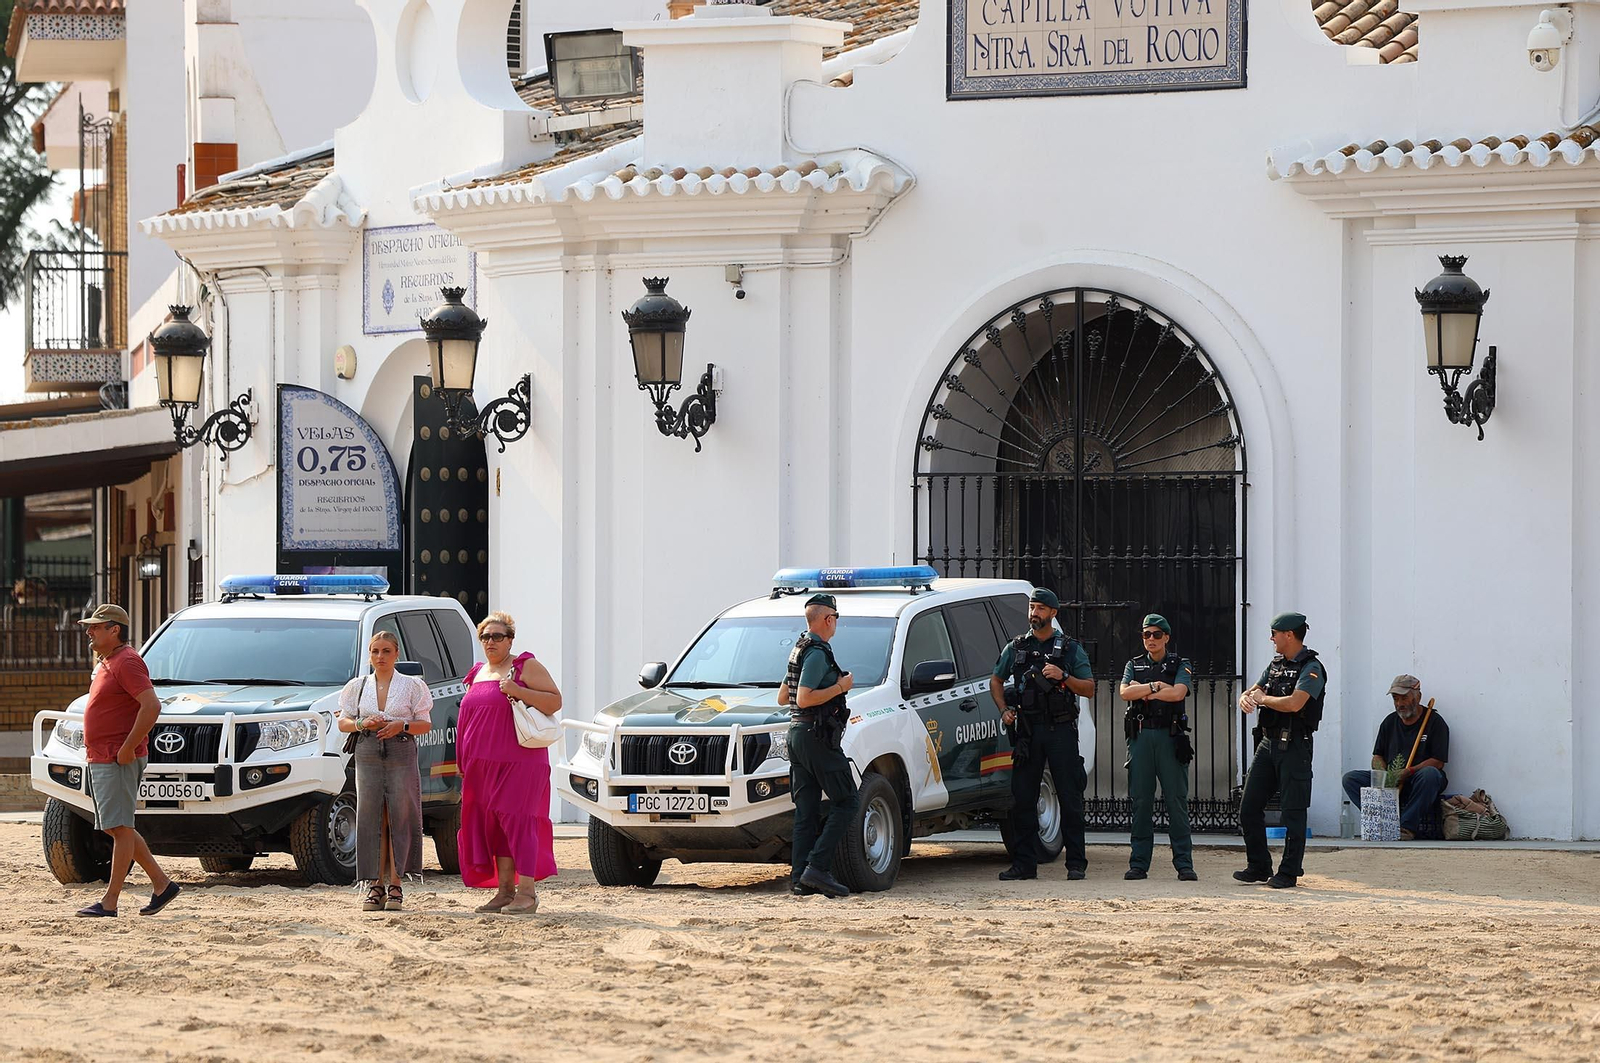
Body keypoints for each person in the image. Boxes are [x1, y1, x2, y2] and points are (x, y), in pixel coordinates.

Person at [73, 604, 181, 917]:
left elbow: (151, 706)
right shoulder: (109, 661)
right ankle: (162, 884)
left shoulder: (127, 661)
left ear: (115, 630)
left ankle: (110, 902)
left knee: (119, 828)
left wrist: (127, 747)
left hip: (116, 758)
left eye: (96, 627)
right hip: (103, 756)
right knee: (116, 827)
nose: (89, 632)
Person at [456, 612, 561, 915]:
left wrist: (518, 691)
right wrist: (463, 760)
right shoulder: (477, 673)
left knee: (519, 820)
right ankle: (505, 892)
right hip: (481, 766)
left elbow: (554, 701)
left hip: (520, 762)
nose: (491, 641)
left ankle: (527, 893)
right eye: (486, 636)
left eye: (498, 636)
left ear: (510, 640)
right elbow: (466, 720)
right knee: (495, 826)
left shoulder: (525, 666)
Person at [992, 587, 1095, 882]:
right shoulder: (1016, 647)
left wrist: (1063, 676)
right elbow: (996, 680)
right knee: (1023, 798)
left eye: (1040, 608)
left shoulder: (1070, 648)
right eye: (1031, 607)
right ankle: (1024, 864)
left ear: (1053, 613)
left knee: (1069, 797)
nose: (1034, 613)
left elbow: (1089, 688)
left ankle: (1076, 863)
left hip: (1060, 731)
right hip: (1028, 732)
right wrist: (1004, 710)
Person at [336, 630, 432, 911]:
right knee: (370, 816)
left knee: (399, 815)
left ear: (396, 654)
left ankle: (396, 884)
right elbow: (343, 722)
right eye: (375, 651)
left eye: (386, 651)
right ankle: (375, 884)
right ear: (369, 654)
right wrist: (362, 724)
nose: (380, 656)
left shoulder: (412, 686)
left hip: (400, 748)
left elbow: (425, 724)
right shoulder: (357, 686)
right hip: (367, 748)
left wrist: (401, 725)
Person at [1235, 611, 1327, 889]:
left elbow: (1295, 703)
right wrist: (1245, 698)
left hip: (1295, 745)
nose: (1271, 638)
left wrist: (1263, 699)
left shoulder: (1311, 668)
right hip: (1268, 743)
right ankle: (1259, 866)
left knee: (1293, 812)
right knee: (1248, 807)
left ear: (1289, 635)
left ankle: (1288, 872)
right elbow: (1253, 691)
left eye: (1274, 634)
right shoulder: (1275, 665)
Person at [778, 593, 858, 899]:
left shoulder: (798, 649)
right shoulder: (817, 653)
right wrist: (839, 686)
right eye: (835, 618)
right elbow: (803, 698)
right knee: (847, 800)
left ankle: (800, 879)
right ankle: (818, 868)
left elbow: (783, 697)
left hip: (797, 734)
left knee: (807, 811)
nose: (836, 623)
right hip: (815, 736)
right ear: (827, 619)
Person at [1118, 613, 1198, 881]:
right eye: (1146, 634)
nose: (1150, 639)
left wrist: (1143, 690)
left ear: (1166, 637)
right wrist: (1155, 686)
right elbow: (1125, 693)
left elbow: (1177, 693)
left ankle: (1184, 864)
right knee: (1141, 801)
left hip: (1169, 737)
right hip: (1141, 737)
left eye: (1156, 634)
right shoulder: (1134, 664)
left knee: (1176, 800)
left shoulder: (1180, 663)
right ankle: (1139, 863)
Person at [1341, 675, 1449, 840]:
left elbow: (1438, 761)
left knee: (1430, 774)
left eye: (1404, 698)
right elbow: (1377, 756)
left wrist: (1408, 771)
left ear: (1417, 697)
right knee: (1350, 779)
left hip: (1419, 780)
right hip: (1392, 779)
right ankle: (1382, 820)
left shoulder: (1435, 722)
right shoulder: (1389, 722)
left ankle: (1406, 827)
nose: (1399, 703)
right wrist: (1384, 774)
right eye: (1395, 699)